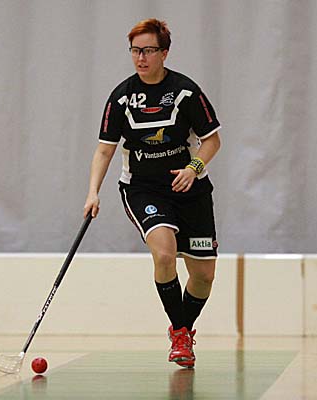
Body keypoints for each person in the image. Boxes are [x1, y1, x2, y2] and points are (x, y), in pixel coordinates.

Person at [83, 18, 221, 369]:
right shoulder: (121, 97)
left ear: (165, 53)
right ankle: (181, 336)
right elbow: (105, 150)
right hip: (143, 189)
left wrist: (193, 168)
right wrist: (93, 192)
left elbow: (212, 141)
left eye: (148, 50)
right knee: (164, 253)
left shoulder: (186, 92)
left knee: (203, 276)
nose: (140, 58)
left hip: (190, 189)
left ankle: (182, 330)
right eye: (135, 51)